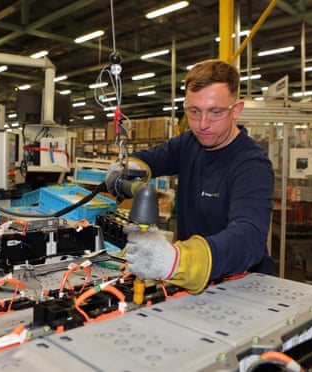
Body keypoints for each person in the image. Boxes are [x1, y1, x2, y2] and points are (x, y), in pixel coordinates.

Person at [105, 59, 274, 294]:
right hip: (191, 283)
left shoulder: (251, 164)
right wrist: (124, 167)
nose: (203, 124)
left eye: (215, 112)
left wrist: (176, 260)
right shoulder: (189, 143)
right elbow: (149, 159)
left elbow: (249, 237)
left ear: (236, 110)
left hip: (239, 284)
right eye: (194, 112)